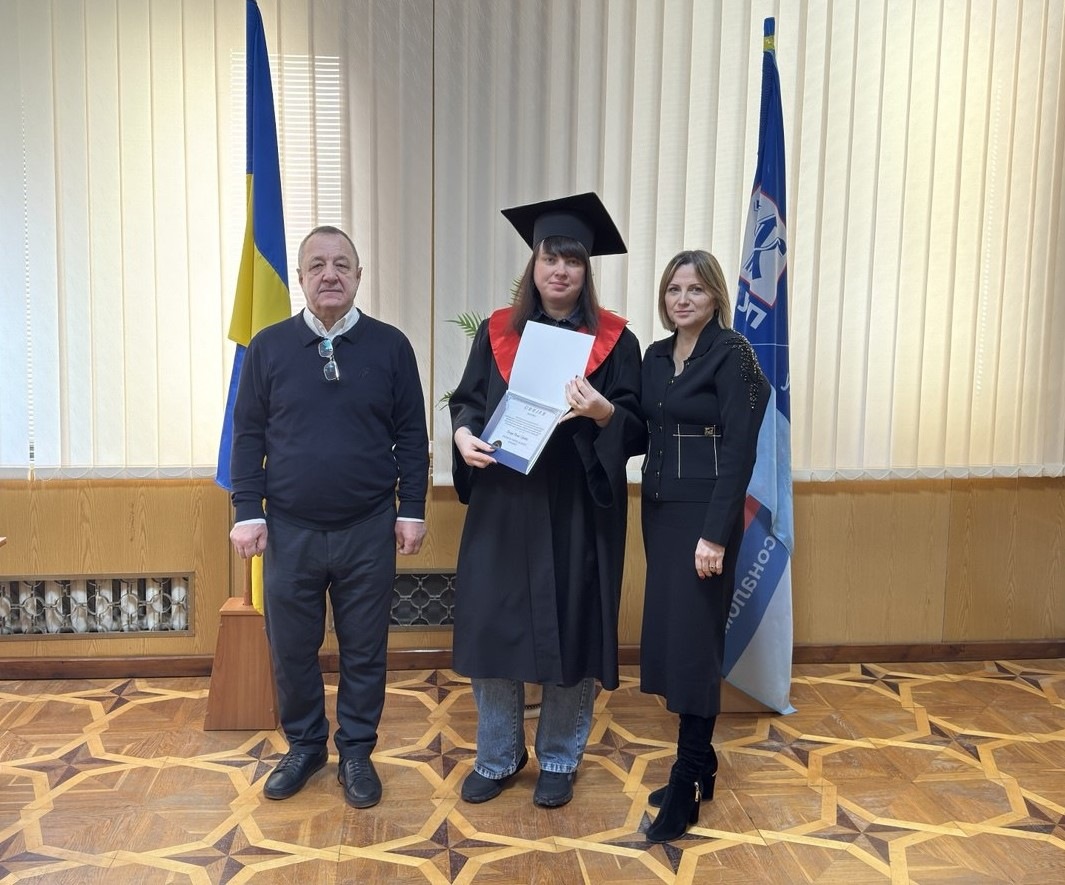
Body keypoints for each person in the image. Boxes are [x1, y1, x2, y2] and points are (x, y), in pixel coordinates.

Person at [449, 193, 644, 808]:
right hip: (504, 501)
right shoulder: (496, 334)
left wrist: (604, 412)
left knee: (574, 627)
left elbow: (639, 427)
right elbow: (468, 402)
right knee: (494, 629)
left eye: (573, 260)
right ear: (533, 265)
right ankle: (498, 756)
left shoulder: (617, 342)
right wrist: (463, 435)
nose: (560, 271)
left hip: (575, 507)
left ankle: (559, 757)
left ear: (587, 271)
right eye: (549, 258)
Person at [228, 225, 429, 809]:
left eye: (342, 264)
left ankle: (357, 751)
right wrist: (247, 509)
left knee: (365, 649)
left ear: (359, 275)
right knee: (291, 649)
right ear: (300, 277)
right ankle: (306, 746)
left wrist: (413, 508)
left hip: (368, 527)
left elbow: (411, 436)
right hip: (289, 529)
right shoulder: (268, 346)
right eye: (317, 265)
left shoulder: (391, 346)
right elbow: (248, 435)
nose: (330, 274)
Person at [639, 250, 769, 842]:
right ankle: (704, 763)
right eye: (674, 289)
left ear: (715, 295)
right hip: (661, 514)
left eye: (694, 289)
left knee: (694, 647)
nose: (682, 299)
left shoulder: (732, 354)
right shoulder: (655, 356)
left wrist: (715, 534)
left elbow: (739, 450)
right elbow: (641, 429)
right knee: (675, 639)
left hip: (705, 521)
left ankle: (686, 777)